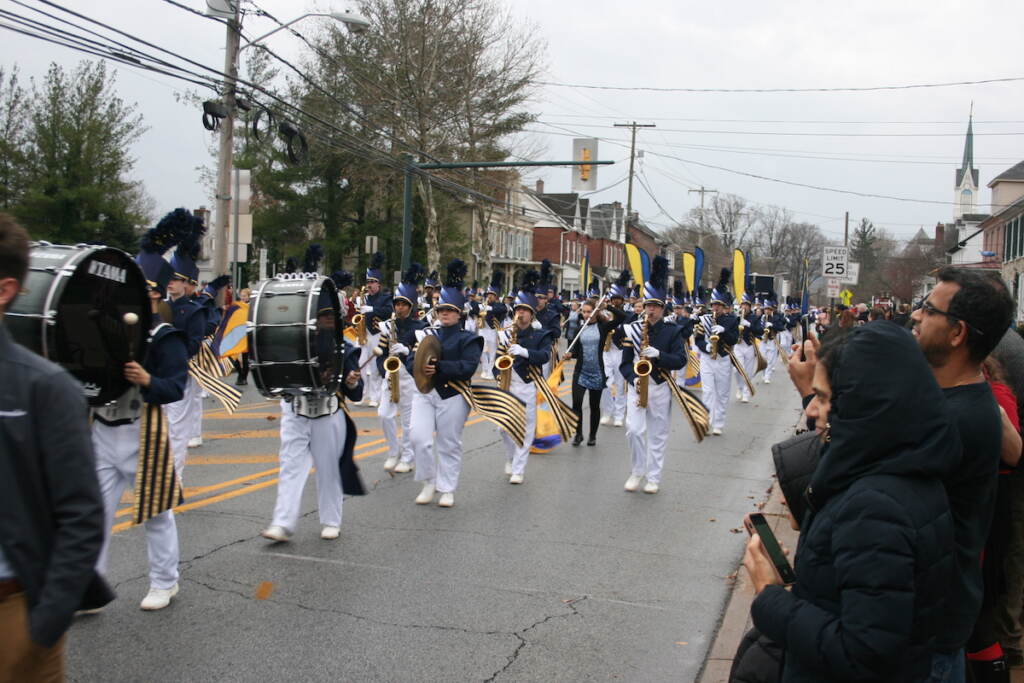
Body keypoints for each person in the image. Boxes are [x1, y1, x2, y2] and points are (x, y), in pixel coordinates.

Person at [746, 322, 960, 682]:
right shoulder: (905, 464)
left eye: (825, 398)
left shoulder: (875, 508)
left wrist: (770, 596)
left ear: (867, 405)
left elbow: (864, 655)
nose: (812, 410)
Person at [0, 214, 111, 679]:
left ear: (5, 290)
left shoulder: (44, 388)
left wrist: (41, 629)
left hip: (14, 610)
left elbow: (82, 517)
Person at [909, 267, 1013, 682]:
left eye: (928, 309)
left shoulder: (955, 421)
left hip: (927, 633)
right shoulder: (952, 404)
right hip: (934, 623)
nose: (916, 316)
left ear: (957, 334)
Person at [91, 220, 190, 611]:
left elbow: (175, 388)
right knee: (94, 515)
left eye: (147, 291)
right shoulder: (98, 329)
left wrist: (147, 378)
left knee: (156, 512)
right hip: (100, 428)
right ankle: (90, 586)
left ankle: (165, 582)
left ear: (156, 295)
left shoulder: (164, 337)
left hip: (141, 431)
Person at [261, 291, 363, 542]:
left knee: (328, 469)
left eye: (330, 315)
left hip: (328, 412)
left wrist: (350, 382)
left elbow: (358, 394)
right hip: (295, 409)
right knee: (290, 465)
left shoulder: (345, 348)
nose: (326, 319)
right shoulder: (293, 342)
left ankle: (331, 520)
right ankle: (282, 523)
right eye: (321, 315)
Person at [406, 259, 483, 508]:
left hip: (453, 394)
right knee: (419, 438)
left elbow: (468, 367)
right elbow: (409, 360)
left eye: (449, 310)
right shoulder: (426, 334)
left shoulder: (468, 338)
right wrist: (418, 366)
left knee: (448, 443)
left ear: (459, 312)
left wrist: (439, 367)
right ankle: (428, 481)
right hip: (425, 392)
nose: (444, 314)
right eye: (441, 310)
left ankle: (447, 488)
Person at [619, 256, 687, 494]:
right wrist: (633, 378)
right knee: (634, 430)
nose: (650, 310)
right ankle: (637, 471)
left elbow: (681, 361)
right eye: (648, 305)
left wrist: (659, 355)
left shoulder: (673, 331)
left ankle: (654, 477)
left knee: (658, 435)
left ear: (662, 308)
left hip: (660, 386)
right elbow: (624, 364)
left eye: (655, 306)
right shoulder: (633, 329)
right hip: (638, 385)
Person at [493, 272, 554, 483]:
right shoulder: (505, 333)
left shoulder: (540, 335)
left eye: (524, 311)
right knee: (503, 428)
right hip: (507, 384)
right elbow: (496, 360)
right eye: (518, 310)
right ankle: (511, 457)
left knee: (526, 429)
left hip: (528, 384)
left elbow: (545, 356)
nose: (520, 314)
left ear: (531, 314)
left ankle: (519, 469)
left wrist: (524, 352)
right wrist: (497, 374)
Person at [161, 210, 206, 474]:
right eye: (171, 278)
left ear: (189, 284)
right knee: (163, 425)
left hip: (182, 372)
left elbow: (194, 343)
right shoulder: (161, 306)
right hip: (161, 372)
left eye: (177, 280)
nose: (172, 284)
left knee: (177, 428)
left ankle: (173, 477)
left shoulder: (194, 310)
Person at [379, 264, 427, 474]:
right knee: (384, 414)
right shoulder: (388, 325)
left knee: (408, 421)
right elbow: (381, 350)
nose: (399, 308)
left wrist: (407, 351)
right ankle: (393, 451)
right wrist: (385, 371)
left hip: (409, 376)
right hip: (391, 374)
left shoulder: (420, 327)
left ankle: (408, 457)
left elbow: (423, 355)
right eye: (397, 304)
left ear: (411, 306)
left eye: (403, 304)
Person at [565, 293, 625, 447]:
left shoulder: (603, 327)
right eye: (583, 312)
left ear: (595, 312)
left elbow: (621, 317)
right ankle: (578, 434)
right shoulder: (580, 329)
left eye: (588, 311)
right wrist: (570, 354)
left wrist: (607, 306)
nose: (585, 315)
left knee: (594, 405)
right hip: (580, 372)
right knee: (576, 404)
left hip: (597, 372)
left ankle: (592, 435)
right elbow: (577, 352)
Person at [694, 269, 740, 436]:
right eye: (713, 304)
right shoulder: (704, 319)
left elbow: (734, 339)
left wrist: (723, 331)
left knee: (722, 393)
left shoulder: (732, 320)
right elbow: (698, 338)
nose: (715, 307)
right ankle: (706, 421)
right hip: (707, 359)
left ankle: (719, 423)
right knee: (707, 392)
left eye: (718, 305)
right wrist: (704, 346)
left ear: (724, 306)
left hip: (723, 359)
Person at [355, 252, 393, 408]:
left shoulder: (385, 297)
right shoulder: (363, 297)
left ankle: (375, 396)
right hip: (363, 334)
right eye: (368, 282)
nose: (369, 285)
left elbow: (388, 311)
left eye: (372, 282)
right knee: (360, 365)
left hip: (378, 334)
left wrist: (371, 309)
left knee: (375, 367)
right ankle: (361, 394)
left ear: (379, 284)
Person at [600, 270, 633, 428]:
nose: (615, 302)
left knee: (620, 385)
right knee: (606, 383)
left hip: (620, 351)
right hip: (606, 351)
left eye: (618, 299)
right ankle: (607, 412)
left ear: (622, 300)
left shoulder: (628, 315)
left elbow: (625, 320)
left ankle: (619, 415)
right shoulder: (603, 313)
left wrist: (612, 311)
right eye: (613, 299)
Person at [734, 294, 763, 403]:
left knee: (748, 372)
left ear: (750, 307)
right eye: (743, 305)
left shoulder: (754, 318)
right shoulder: (736, 317)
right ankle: (740, 387)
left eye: (746, 305)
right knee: (737, 369)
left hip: (749, 346)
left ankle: (746, 393)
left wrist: (749, 325)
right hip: (738, 345)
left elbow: (759, 331)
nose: (744, 307)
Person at [477, 271, 506, 379]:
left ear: (496, 296)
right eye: (488, 294)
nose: (489, 297)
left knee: (493, 352)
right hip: (482, 330)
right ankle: (485, 369)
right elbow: (474, 310)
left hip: (492, 331)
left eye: (492, 295)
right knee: (482, 351)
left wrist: (490, 308)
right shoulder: (483, 304)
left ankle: (491, 371)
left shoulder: (499, 305)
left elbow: (502, 309)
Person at [760, 293, 786, 385]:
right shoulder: (761, 318)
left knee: (770, 360)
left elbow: (781, 327)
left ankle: (767, 376)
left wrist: (772, 325)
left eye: (769, 309)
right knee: (763, 359)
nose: (767, 311)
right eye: (766, 309)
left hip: (771, 340)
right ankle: (764, 373)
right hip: (763, 341)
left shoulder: (775, 318)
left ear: (771, 310)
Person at [234, 287, 252, 386]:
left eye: (244, 296)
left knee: (245, 358)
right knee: (233, 356)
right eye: (241, 296)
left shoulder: (251, 306)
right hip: (237, 333)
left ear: (249, 296)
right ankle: (240, 374)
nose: (242, 297)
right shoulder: (238, 306)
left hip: (247, 333)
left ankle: (243, 377)